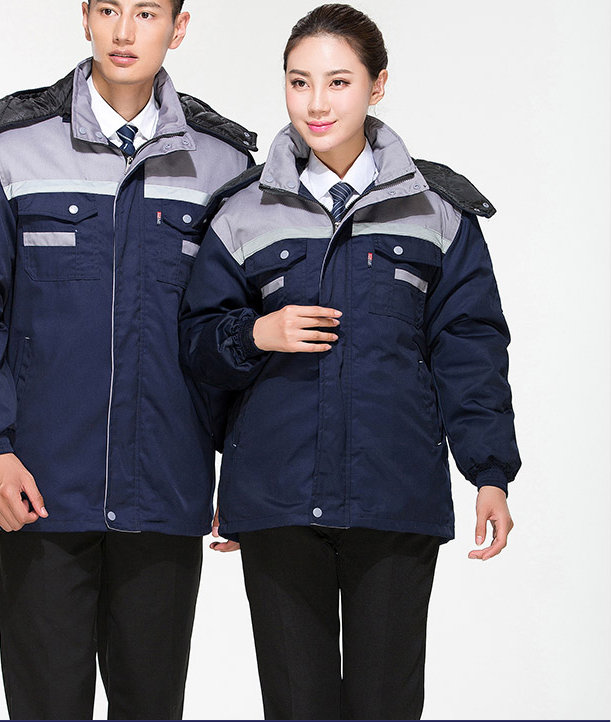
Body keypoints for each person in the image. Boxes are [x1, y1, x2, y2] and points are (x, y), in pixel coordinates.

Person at [179, 4, 521, 720]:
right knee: (296, 708)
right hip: (276, 497)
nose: (316, 103)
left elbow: (470, 346)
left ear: (377, 84)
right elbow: (199, 345)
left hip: (394, 495)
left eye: (338, 82)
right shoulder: (242, 211)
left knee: (385, 707)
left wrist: (488, 471)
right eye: (299, 81)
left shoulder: (436, 210)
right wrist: (257, 334)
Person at [0, 1, 255, 719]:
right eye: (108, 8)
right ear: (85, 17)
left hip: (167, 490)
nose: (124, 31)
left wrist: (247, 472)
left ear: (179, 26)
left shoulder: (224, 167)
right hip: (39, 491)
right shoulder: (12, 152)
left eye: (146, 12)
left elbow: (239, 331)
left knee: (152, 709)